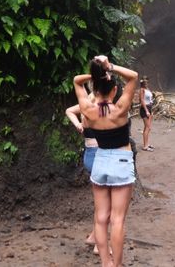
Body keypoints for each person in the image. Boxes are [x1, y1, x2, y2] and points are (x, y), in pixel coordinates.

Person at [74, 55, 138, 267]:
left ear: (95, 90)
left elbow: (76, 80)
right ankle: (117, 265)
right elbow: (133, 77)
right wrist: (109, 67)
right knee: (117, 219)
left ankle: (105, 263)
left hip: (100, 160)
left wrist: (96, 72)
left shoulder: (87, 109)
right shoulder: (120, 110)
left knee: (101, 218)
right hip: (120, 160)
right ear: (113, 91)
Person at [64, 102, 98, 250]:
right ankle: (99, 244)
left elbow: (69, 110)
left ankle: (93, 236)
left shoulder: (86, 104)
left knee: (101, 202)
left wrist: (78, 123)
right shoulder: (99, 106)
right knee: (105, 204)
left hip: (89, 153)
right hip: (99, 154)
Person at [139, 78, 154, 151]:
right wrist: (147, 111)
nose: (147, 84)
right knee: (147, 128)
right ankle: (145, 146)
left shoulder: (148, 90)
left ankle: (147, 144)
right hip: (145, 109)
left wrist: (151, 111)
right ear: (143, 83)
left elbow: (150, 99)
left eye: (147, 82)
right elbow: (142, 100)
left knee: (148, 128)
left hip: (149, 108)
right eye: (145, 83)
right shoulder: (142, 90)